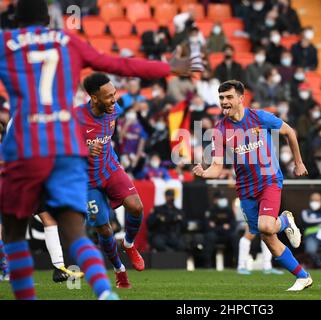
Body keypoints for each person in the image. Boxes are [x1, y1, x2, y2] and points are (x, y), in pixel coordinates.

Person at [0, 0, 198, 300]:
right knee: (78, 233)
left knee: (14, 235)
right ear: (48, 19)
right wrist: (168, 67)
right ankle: (106, 293)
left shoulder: (6, 43)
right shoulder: (68, 41)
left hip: (25, 148)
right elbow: (120, 64)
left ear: (15, 20)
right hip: (64, 148)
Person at [193, 80, 312, 291]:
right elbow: (217, 166)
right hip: (245, 188)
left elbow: (290, 132)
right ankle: (302, 276)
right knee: (265, 235)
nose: (224, 102)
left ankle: (283, 220)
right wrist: (205, 172)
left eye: (229, 97)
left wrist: (299, 162)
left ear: (241, 98)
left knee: (267, 227)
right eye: (221, 98)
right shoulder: (220, 129)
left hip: (269, 180)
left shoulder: (259, 117)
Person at [75, 73, 150, 289]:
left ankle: (129, 244)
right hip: (87, 181)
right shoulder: (75, 117)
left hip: (110, 169)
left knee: (136, 207)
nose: (114, 99)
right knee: (104, 229)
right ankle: (119, 270)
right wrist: (84, 149)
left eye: (114, 93)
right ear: (94, 98)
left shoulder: (114, 110)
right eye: (108, 96)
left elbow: (109, 134)